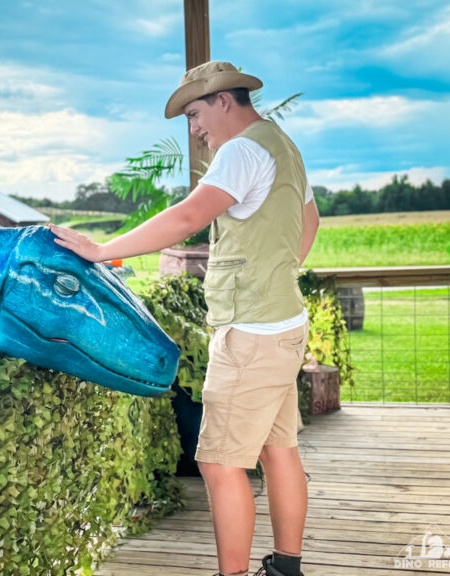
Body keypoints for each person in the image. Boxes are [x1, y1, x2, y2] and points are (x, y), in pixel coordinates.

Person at [50, 61, 320, 576]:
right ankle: (286, 567)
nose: (194, 129)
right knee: (277, 447)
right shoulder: (282, 144)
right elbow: (309, 222)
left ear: (224, 101)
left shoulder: (241, 150)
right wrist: (276, 270)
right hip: (283, 322)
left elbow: (188, 217)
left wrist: (102, 250)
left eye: (195, 114)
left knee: (218, 462)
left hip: (251, 333)